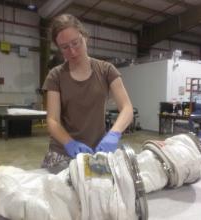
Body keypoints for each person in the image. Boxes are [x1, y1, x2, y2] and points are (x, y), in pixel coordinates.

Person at [42, 14, 133, 169]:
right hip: (63, 151)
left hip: (96, 150)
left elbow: (127, 108)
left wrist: (114, 134)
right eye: (64, 47)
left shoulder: (106, 70)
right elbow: (53, 120)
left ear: (85, 37)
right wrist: (69, 143)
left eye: (75, 43)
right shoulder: (55, 76)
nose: (72, 51)